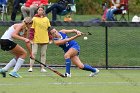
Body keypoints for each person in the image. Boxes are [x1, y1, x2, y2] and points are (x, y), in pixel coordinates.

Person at [28, 6, 51, 72]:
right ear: (37, 11)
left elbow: (49, 29)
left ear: (43, 11)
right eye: (39, 10)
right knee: (34, 53)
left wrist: (50, 38)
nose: (40, 11)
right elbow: (32, 30)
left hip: (45, 39)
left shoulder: (46, 19)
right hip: (36, 39)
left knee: (43, 54)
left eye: (41, 10)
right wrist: (31, 39)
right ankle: (31, 67)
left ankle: (42, 68)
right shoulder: (34, 19)